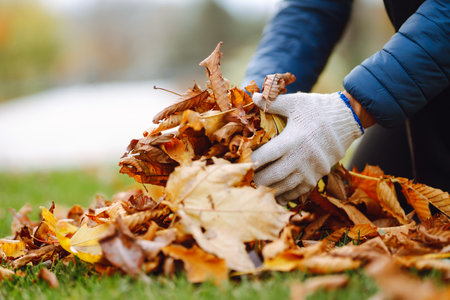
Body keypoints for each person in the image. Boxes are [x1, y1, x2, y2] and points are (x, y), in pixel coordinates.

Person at [243, 0, 450, 205]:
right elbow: (311, 7)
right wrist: (257, 102)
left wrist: (348, 112)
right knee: (362, 198)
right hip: (427, 87)